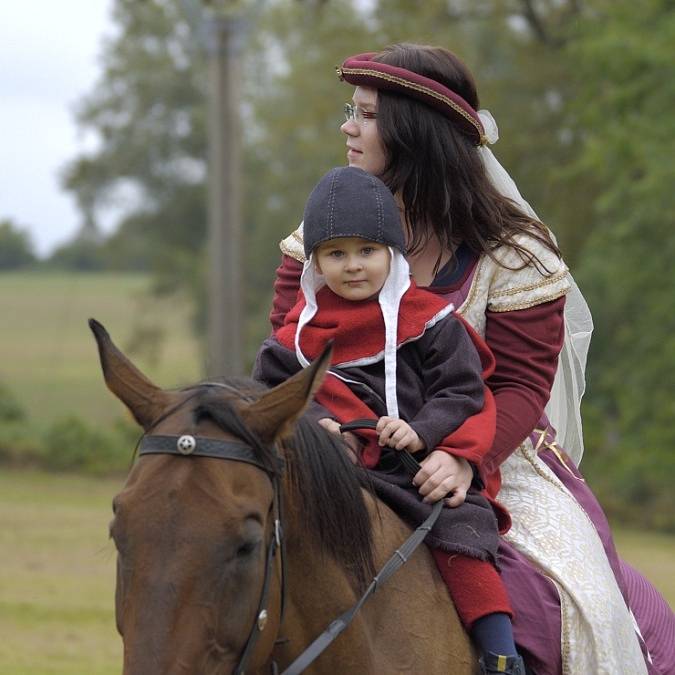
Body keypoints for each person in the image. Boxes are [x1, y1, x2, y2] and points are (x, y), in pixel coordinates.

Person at [267, 44, 675, 675]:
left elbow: (519, 384)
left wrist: (461, 457)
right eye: (352, 110)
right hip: (335, 443)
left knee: (581, 598)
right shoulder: (327, 235)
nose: (348, 126)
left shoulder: (515, 257)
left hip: (491, 453)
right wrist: (319, 428)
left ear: (413, 130)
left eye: (366, 114)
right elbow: (291, 344)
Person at [255, 164, 526, 675]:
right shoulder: (294, 338)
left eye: (367, 251)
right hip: (333, 472)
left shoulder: (430, 322)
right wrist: (316, 425)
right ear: (315, 262)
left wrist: (421, 430)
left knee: (464, 525)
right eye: (336, 254)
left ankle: (499, 651)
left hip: (413, 470)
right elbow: (273, 395)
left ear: (392, 255)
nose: (353, 266)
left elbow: (463, 391)